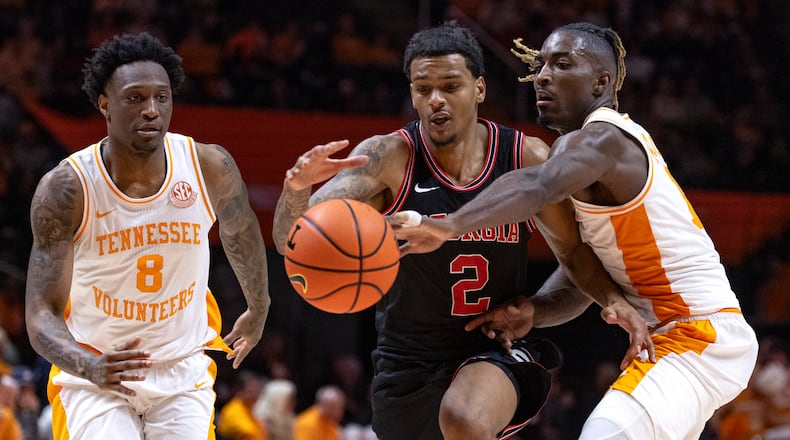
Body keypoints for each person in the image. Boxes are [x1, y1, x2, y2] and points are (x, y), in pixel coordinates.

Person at [272, 21, 651, 440]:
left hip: (494, 350)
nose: (436, 100)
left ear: (480, 89)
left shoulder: (524, 156)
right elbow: (295, 244)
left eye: (451, 86)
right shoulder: (387, 158)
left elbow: (578, 259)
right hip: (407, 364)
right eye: (423, 89)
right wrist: (295, 191)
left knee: (466, 419)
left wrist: (560, 307)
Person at [389, 22, 760, 439]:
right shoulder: (589, 156)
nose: (543, 75)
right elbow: (583, 265)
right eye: (541, 64)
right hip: (672, 337)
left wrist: (448, 225)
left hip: (694, 332)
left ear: (601, 81)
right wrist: (535, 310)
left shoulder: (601, 139)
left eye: (562, 64)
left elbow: (536, 184)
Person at [24, 32, 271, 439]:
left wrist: (259, 306)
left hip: (180, 368)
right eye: (135, 98)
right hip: (95, 370)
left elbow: (242, 232)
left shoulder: (208, 166)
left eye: (162, 97)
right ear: (105, 104)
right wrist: (88, 366)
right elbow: (40, 315)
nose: (152, 110)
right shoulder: (67, 189)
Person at [216, 370, 267, 440]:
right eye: (251, 391)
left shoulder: (253, 408)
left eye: (258, 390)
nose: (256, 394)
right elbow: (249, 432)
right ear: (239, 392)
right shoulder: (231, 411)